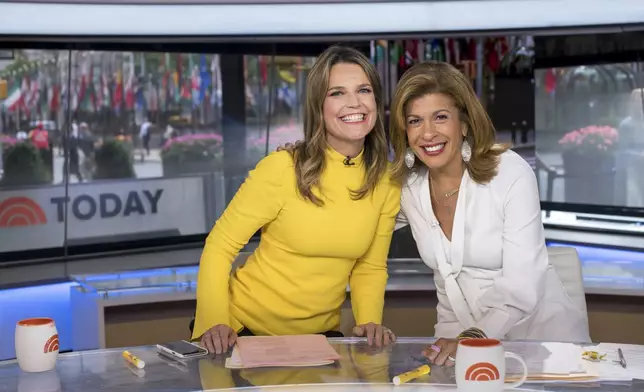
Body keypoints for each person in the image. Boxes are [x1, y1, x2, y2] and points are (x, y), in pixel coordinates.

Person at [193, 45, 401, 355]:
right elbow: (220, 244)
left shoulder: (386, 180)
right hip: (241, 331)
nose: (354, 102)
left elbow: (369, 267)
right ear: (318, 105)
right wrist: (214, 321)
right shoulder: (282, 168)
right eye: (337, 93)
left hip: (319, 339)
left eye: (363, 90)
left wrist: (369, 321)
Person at [389, 62, 591, 366]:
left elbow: (522, 284)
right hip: (462, 343)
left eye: (440, 117)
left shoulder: (509, 172)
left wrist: (470, 339)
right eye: (415, 121)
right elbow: (360, 227)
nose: (427, 133)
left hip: (544, 348)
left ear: (465, 124)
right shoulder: (409, 188)